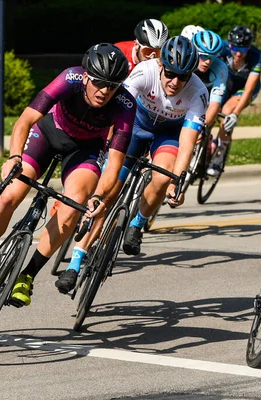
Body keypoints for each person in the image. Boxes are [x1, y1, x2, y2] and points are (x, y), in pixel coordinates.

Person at [0, 43, 136, 306]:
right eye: (99, 82)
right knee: (8, 196)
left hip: (85, 150)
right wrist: (14, 156)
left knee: (73, 207)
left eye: (113, 85)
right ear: (86, 76)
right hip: (48, 134)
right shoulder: (69, 78)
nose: (105, 91)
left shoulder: (125, 105)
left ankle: (26, 276)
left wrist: (97, 197)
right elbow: (25, 120)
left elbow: (115, 164)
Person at [55, 21, 169, 293]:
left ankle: (131, 222)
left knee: (122, 188)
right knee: (106, 187)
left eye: (159, 53)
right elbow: (101, 106)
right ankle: (78, 254)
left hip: (144, 127)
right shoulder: (118, 58)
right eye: (149, 52)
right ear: (137, 46)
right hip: (119, 126)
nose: (154, 58)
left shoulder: (167, 69)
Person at [118, 36, 208, 258]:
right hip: (137, 124)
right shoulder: (144, 70)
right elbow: (120, 112)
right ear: (160, 65)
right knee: (112, 181)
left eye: (183, 77)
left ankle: (137, 225)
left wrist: (178, 181)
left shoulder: (198, 92)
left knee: (162, 177)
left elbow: (187, 141)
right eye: (170, 74)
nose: (175, 82)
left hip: (168, 134)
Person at [206, 26, 261, 177]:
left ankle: (219, 157)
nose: (239, 53)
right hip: (226, 84)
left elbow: (249, 88)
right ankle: (205, 144)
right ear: (229, 44)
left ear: (249, 48)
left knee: (226, 114)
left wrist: (236, 114)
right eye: (235, 48)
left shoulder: (256, 56)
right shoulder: (222, 48)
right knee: (210, 112)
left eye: (244, 50)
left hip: (244, 89)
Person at [191, 30, 229, 132]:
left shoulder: (221, 68)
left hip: (208, 97)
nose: (208, 62)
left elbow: (214, 104)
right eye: (204, 56)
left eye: (212, 57)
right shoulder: (185, 60)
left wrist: (201, 128)